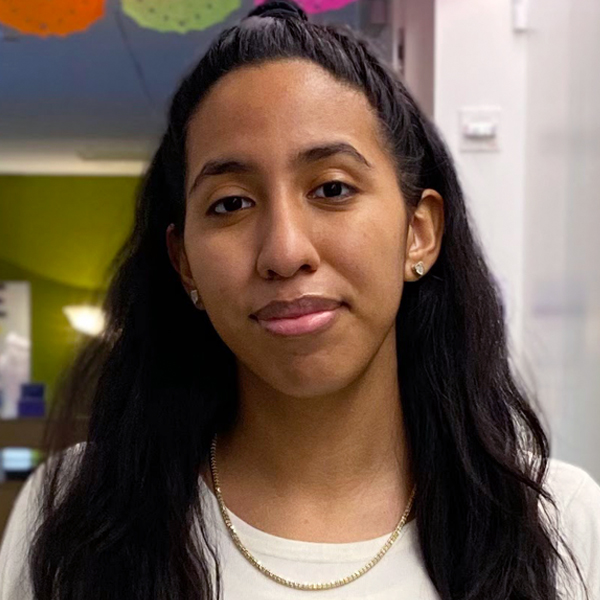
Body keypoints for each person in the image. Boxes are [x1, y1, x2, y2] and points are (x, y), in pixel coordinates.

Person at [1, 1, 599, 598]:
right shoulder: (77, 515)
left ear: (419, 232)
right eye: (231, 203)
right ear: (185, 263)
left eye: (332, 189)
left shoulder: (560, 525)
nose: (285, 252)